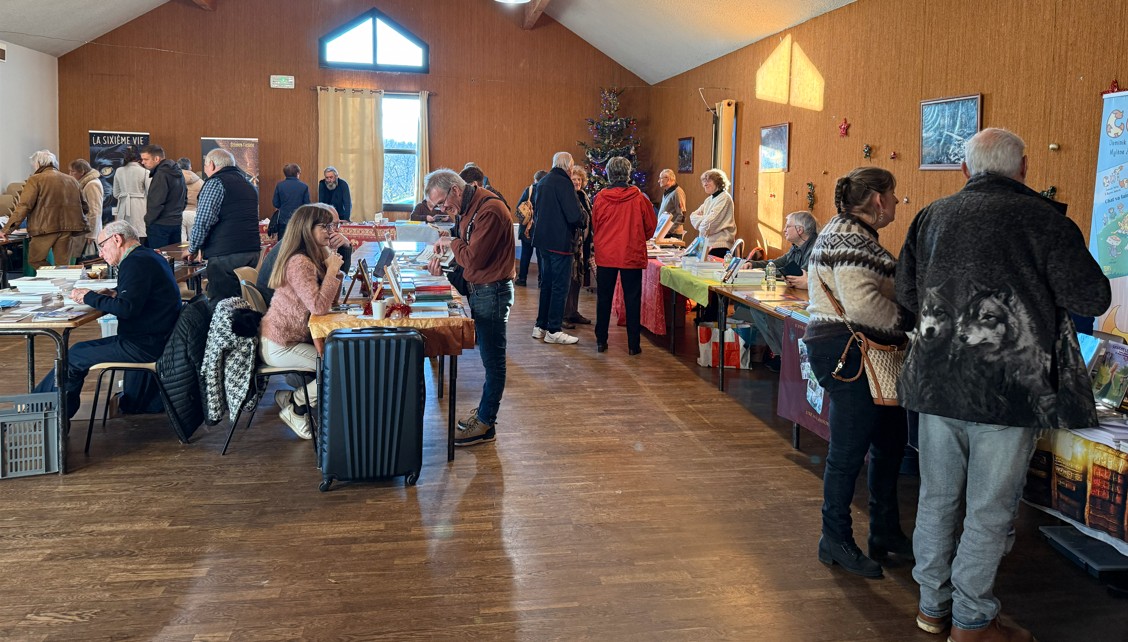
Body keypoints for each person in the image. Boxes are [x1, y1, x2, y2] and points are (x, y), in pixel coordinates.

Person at [897, 129, 1110, 641]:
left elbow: (906, 293)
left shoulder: (931, 216)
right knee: (989, 509)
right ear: (1024, 167)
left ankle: (932, 609)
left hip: (935, 381)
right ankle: (971, 622)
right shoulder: (1043, 219)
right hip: (1009, 386)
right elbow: (1092, 297)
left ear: (965, 171)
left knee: (937, 498)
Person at [803, 166, 913, 580]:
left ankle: (884, 533)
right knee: (848, 453)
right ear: (879, 200)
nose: (898, 202)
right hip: (850, 354)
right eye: (895, 194)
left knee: (889, 443)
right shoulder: (849, 238)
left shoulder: (847, 233)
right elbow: (864, 307)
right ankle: (835, 538)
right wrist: (910, 320)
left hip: (854, 352)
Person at [32, 220, 181, 419]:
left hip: (144, 345)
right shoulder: (150, 256)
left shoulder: (134, 262)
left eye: (102, 247)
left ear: (117, 239)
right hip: (159, 338)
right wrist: (113, 292)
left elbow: (126, 309)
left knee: (75, 356)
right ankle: (42, 408)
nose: (101, 254)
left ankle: (41, 411)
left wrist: (88, 296)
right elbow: (139, 295)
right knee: (77, 352)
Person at [424, 169, 515, 446]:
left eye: (442, 203)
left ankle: (487, 423)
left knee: (493, 362)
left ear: (455, 189)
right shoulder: (468, 208)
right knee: (490, 358)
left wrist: (451, 242)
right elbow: (466, 254)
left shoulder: (490, 210)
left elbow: (472, 260)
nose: (443, 209)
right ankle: (486, 413)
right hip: (481, 290)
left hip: (493, 293)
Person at [260, 203, 344, 439]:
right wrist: (331, 272)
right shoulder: (299, 262)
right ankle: (297, 407)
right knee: (336, 368)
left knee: (337, 361)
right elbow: (319, 306)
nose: (330, 231)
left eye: (331, 225)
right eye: (325, 226)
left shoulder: (312, 256)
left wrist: (334, 269)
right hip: (280, 343)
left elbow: (330, 302)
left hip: (288, 339)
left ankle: (288, 397)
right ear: (308, 228)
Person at [737, 210, 820, 371]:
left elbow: (797, 275)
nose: (784, 230)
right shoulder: (795, 248)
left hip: (810, 302)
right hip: (795, 295)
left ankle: (790, 358)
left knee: (775, 313)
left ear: (800, 230)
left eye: (787, 226)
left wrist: (775, 272)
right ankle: (782, 355)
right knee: (758, 308)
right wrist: (752, 264)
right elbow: (777, 264)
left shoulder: (816, 248)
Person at [592, 156, 657, 355]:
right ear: (628, 174)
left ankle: (601, 341)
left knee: (604, 299)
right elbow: (650, 227)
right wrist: (637, 238)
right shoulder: (639, 198)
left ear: (609, 174)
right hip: (631, 253)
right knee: (632, 299)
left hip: (607, 254)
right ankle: (633, 345)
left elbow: (596, 224)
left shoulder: (601, 197)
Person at [185, 148, 262, 303]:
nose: (206, 171)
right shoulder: (248, 185)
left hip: (226, 254)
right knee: (242, 301)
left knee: (222, 304)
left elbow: (203, 221)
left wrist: (192, 248)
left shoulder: (215, 183)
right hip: (251, 251)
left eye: (206, 167)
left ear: (211, 165)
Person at [0, 150, 88, 268]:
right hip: (67, 229)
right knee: (63, 266)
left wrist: (6, 230)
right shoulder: (71, 180)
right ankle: (59, 283)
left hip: (44, 228)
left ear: (38, 164)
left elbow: (24, 206)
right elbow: (84, 207)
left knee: (35, 260)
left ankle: (51, 280)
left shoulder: (35, 179)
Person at [531, 152, 584, 345]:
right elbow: (574, 216)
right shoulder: (564, 183)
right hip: (560, 243)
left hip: (543, 242)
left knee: (546, 284)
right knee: (560, 287)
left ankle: (540, 326)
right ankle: (554, 329)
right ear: (569, 167)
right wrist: (583, 220)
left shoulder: (543, 182)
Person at [139, 144, 187, 249]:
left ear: (157, 159)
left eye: (146, 159)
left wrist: (148, 220)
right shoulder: (178, 172)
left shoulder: (161, 174)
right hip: (176, 222)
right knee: (173, 260)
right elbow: (184, 197)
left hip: (160, 225)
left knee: (158, 260)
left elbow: (156, 202)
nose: (143, 162)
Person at [563, 164, 594, 327]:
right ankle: (565, 314)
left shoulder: (583, 196)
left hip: (584, 246)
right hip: (571, 245)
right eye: (573, 179)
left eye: (579, 179)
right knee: (569, 279)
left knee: (577, 280)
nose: (576, 182)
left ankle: (573, 311)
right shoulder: (568, 197)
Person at [688, 168, 736, 258]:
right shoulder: (709, 199)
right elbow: (692, 217)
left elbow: (710, 224)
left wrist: (704, 220)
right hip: (706, 245)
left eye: (709, 181)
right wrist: (706, 218)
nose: (705, 184)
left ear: (718, 182)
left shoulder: (724, 198)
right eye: (704, 181)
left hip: (720, 246)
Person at [514, 170, 547, 287]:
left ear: (535, 179)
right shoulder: (547, 191)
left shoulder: (529, 190)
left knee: (525, 254)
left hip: (526, 228)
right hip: (540, 228)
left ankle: (522, 278)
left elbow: (519, 207)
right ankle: (541, 280)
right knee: (540, 255)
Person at [68, 158, 105, 258]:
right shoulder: (85, 184)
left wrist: (91, 234)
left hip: (88, 232)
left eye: (73, 171)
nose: (70, 174)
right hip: (83, 229)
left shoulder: (92, 185)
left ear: (82, 172)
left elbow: (95, 211)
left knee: (89, 260)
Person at [113, 148, 149, 241]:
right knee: (140, 234)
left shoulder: (119, 171)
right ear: (139, 158)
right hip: (140, 207)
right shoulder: (145, 172)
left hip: (123, 207)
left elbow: (116, 193)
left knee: (125, 236)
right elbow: (150, 194)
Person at [272, 163, 311, 240]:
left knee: (282, 244)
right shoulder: (304, 186)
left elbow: (275, 203)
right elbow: (307, 205)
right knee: (298, 244)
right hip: (298, 220)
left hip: (283, 220)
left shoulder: (280, 185)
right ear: (297, 173)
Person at [656, 169, 687, 240]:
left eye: (661, 178)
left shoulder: (677, 192)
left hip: (673, 234)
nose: (658, 181)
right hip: (665, 232)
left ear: (668, 179)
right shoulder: (667, 192)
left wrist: (670, 230)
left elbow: (682, 215)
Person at [179, 157, 204, 241]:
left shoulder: (173, 180)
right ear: (190, 168)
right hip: (195, 214)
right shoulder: (201, 182)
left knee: (179, 245)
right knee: (194, 244)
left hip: (179, 214)